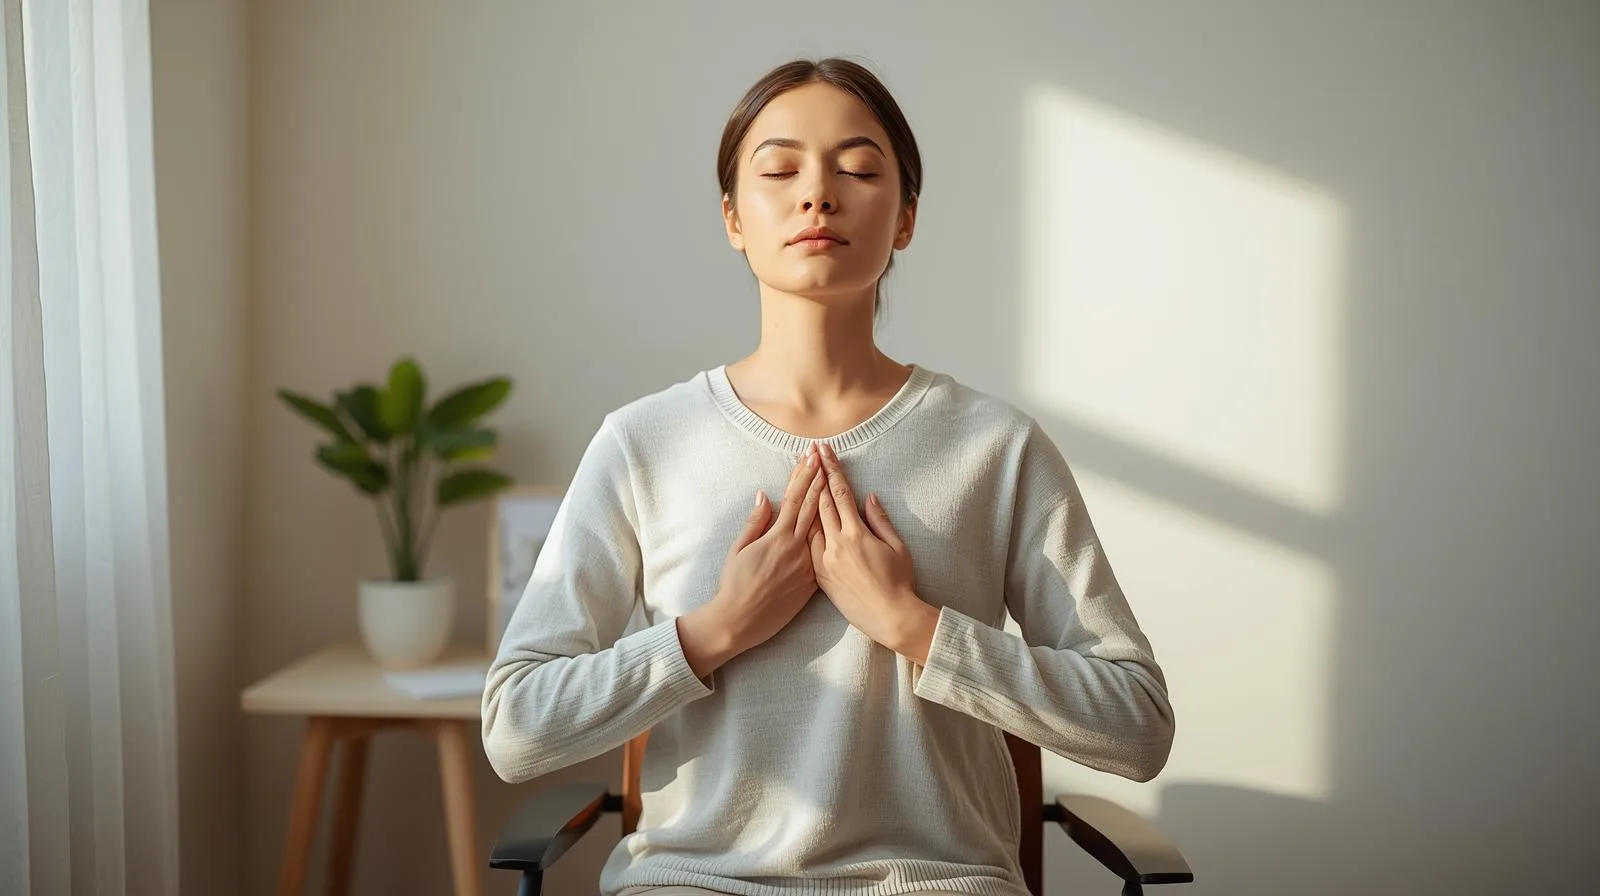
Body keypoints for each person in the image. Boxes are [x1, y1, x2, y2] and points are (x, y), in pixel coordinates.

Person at [481, 57, 1175, 896]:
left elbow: (1137, 727)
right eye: (779, 170)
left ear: (907, 216)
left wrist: (916, 627)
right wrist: (717, 630)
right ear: (734, 218)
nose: (819, 194)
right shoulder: (643, 442)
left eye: (857, 169)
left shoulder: (996, 447)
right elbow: (516, 729)